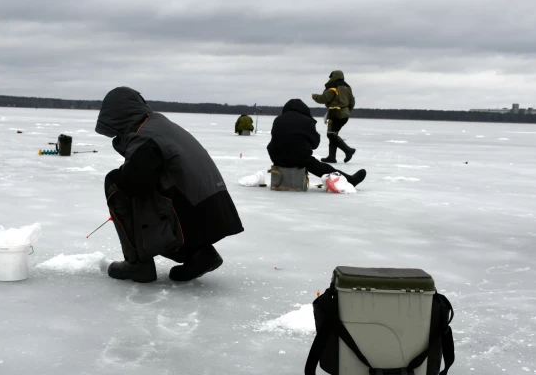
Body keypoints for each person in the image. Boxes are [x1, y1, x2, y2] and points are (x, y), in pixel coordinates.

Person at [95, 86, 244, 283]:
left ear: (117, 117)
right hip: (214, 212)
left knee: (115, 182)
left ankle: (138, 264)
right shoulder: (159, 125)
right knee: (153, 189)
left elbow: (135, 185)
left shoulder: (144, 136)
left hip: (195, 213)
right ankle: (200, 255)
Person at [267, 99, 366, 187]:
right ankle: (350, 180)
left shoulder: (278, 119)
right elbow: (315, 144)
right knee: (323, 168)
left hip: (276, 158)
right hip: (300, 158)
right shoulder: (307, 121)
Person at [311, 70, 356, 163]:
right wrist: (347, 110)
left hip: (336, 114)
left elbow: (323, 98)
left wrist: (314, 96)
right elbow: (352, 102)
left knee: (331, 135)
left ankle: (348, 150)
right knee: (333, 134)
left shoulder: (333, 87)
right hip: (345, 114)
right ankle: (332, 157)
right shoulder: (347, 87)